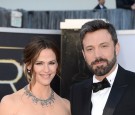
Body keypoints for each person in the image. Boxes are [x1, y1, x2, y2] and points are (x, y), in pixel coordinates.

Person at [70, 20, 135, 115]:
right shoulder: (76, 91)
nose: (97, 55)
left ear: (116, 48)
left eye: (103, 46)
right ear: (84, 54)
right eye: (90, 49)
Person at [0, 36, 71, 115]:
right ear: (29, 65)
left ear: (57, 65)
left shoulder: (66, 106)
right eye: (39, 63)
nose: (46, 70)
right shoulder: (10, 103)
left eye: (51, 63)